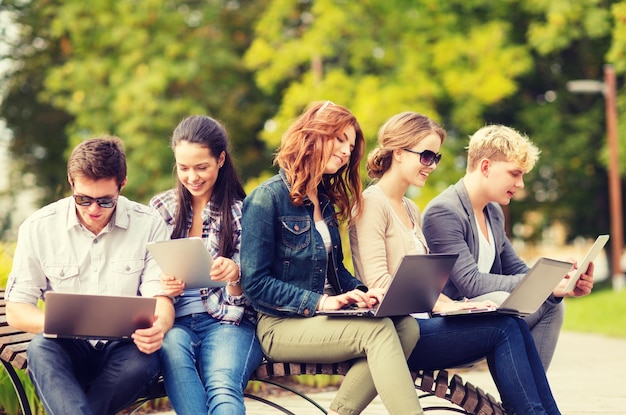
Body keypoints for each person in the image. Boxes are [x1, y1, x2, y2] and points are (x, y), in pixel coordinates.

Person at [349, 112, 562, 414]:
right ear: (398, 152)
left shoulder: (410, 208)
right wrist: (442, 304)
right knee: (503, 326)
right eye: (425, 156)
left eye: (435, 157)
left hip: (424, 323)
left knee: (507, 320)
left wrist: (452, 304)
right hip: (399, 333)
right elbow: (378, 283)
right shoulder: (372, 203)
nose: (431, 165)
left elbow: (424, 283)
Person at [241, 101, 424, 415]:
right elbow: (254, 284)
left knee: (407, 327)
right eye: (339, 139)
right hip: (281, 324)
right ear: (312, 135)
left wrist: (367, 294)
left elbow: (335, 270)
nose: (346, 151)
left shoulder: (324, 201)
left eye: (350, 146)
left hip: (324, 318)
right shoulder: (266, 199)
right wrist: (321, 302)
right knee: (377, 332)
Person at [5, 136, 174, 415]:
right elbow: (16, 309)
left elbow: (162, 299)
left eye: (105, 201)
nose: (93, 210)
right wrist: (59, 323)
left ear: (122, 185)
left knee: (144, 359)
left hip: (125, 347)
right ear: (71, 182)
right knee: (40, 350)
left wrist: (160, 327)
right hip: (67, 347)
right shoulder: (38, 228)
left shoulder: (149, 225)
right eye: (83, 199)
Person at [421, 124, 594, 371]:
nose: (521, 183)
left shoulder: (492, 212)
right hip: (449, 324)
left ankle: (529, 402)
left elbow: (517, 270)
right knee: (506, 302)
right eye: (515, 174)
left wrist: (560, 281)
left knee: (552, 306)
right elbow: (471, 283)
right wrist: (542, 284)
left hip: (484, 314)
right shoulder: (444, 212)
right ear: (485, 167)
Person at [149, 115, 263, 415]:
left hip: (229, 322)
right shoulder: (160, 209)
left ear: (221, 159)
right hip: (175, 322)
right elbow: (145, 273)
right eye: (183, 168)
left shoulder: (243, 212)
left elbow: (257, 291)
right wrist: (163, 285)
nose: (192, 177)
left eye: (202, 167)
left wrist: (235, 275)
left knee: (222, 385)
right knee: (171, 346)